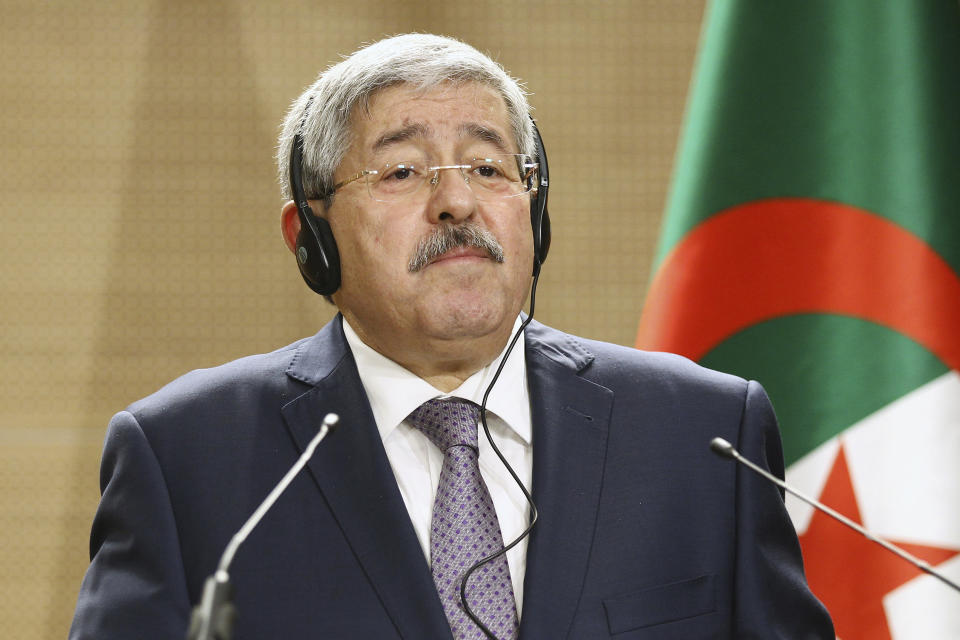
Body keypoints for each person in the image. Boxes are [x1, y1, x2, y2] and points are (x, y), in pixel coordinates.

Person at [70, 34, 834, 639]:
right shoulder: (187, 457)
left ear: (534, 213)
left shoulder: (701, 434)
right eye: (402, 171)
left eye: (490, 167)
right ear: (311, 239)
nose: (457, 201)